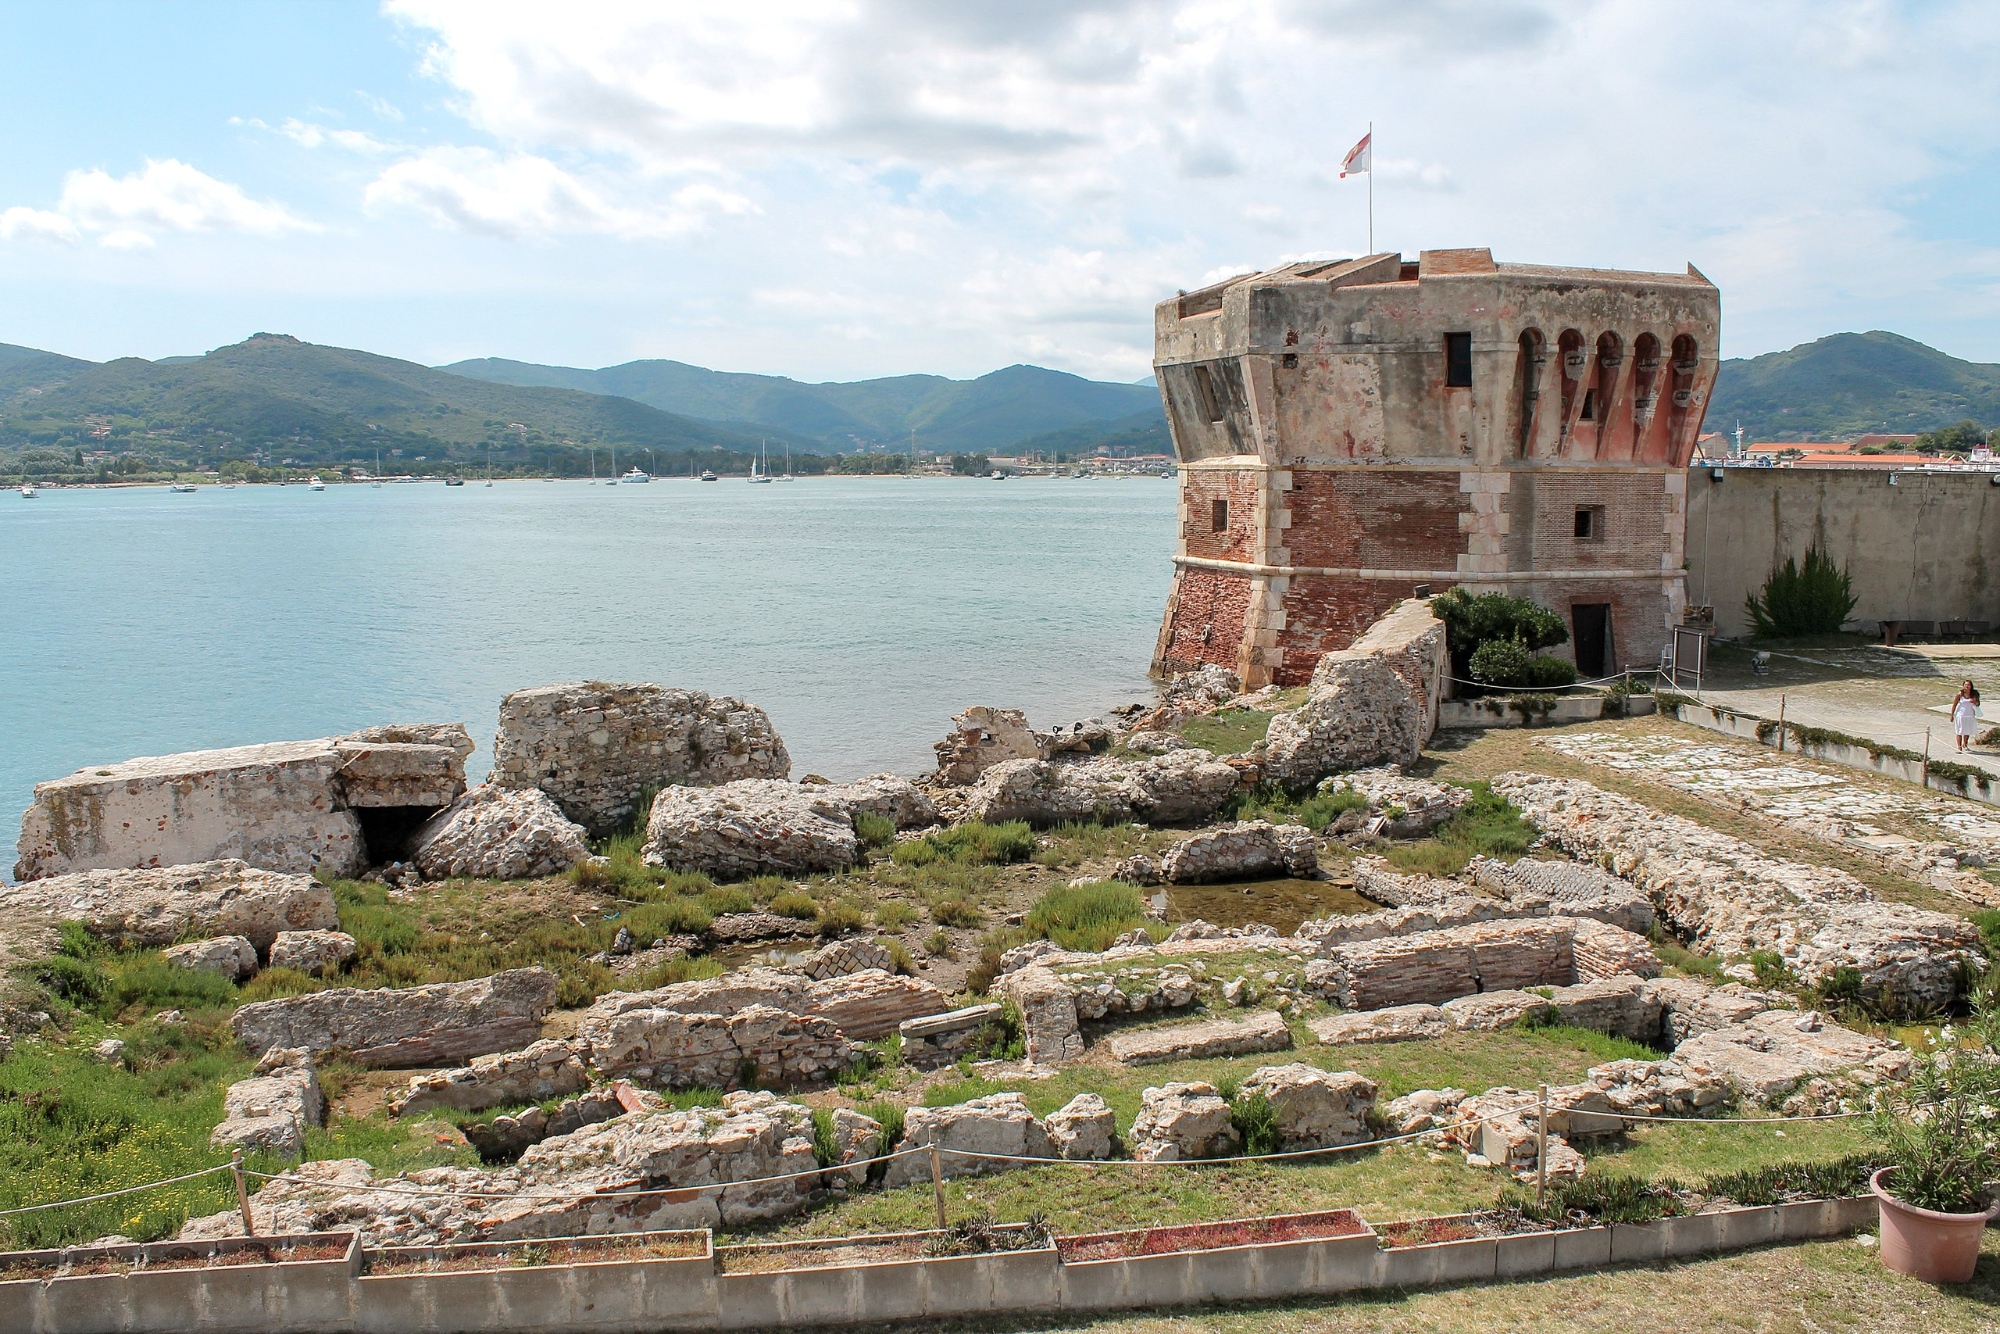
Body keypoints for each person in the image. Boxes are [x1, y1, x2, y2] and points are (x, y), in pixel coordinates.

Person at [1952, 680, 1982, 753]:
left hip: (1970, 715)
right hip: (1960, 715)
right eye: (1965, 685)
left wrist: (1974, 702)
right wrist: (1952, 714)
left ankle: (1965, 744)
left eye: (1968, 685)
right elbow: (1954, 704)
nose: (1967, 686)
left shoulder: (1974, 694)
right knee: (1959, 731)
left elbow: (1978, 704)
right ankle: (1959, 747)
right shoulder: (1960, 694)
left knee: (1967, 731)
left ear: (1971, 686)